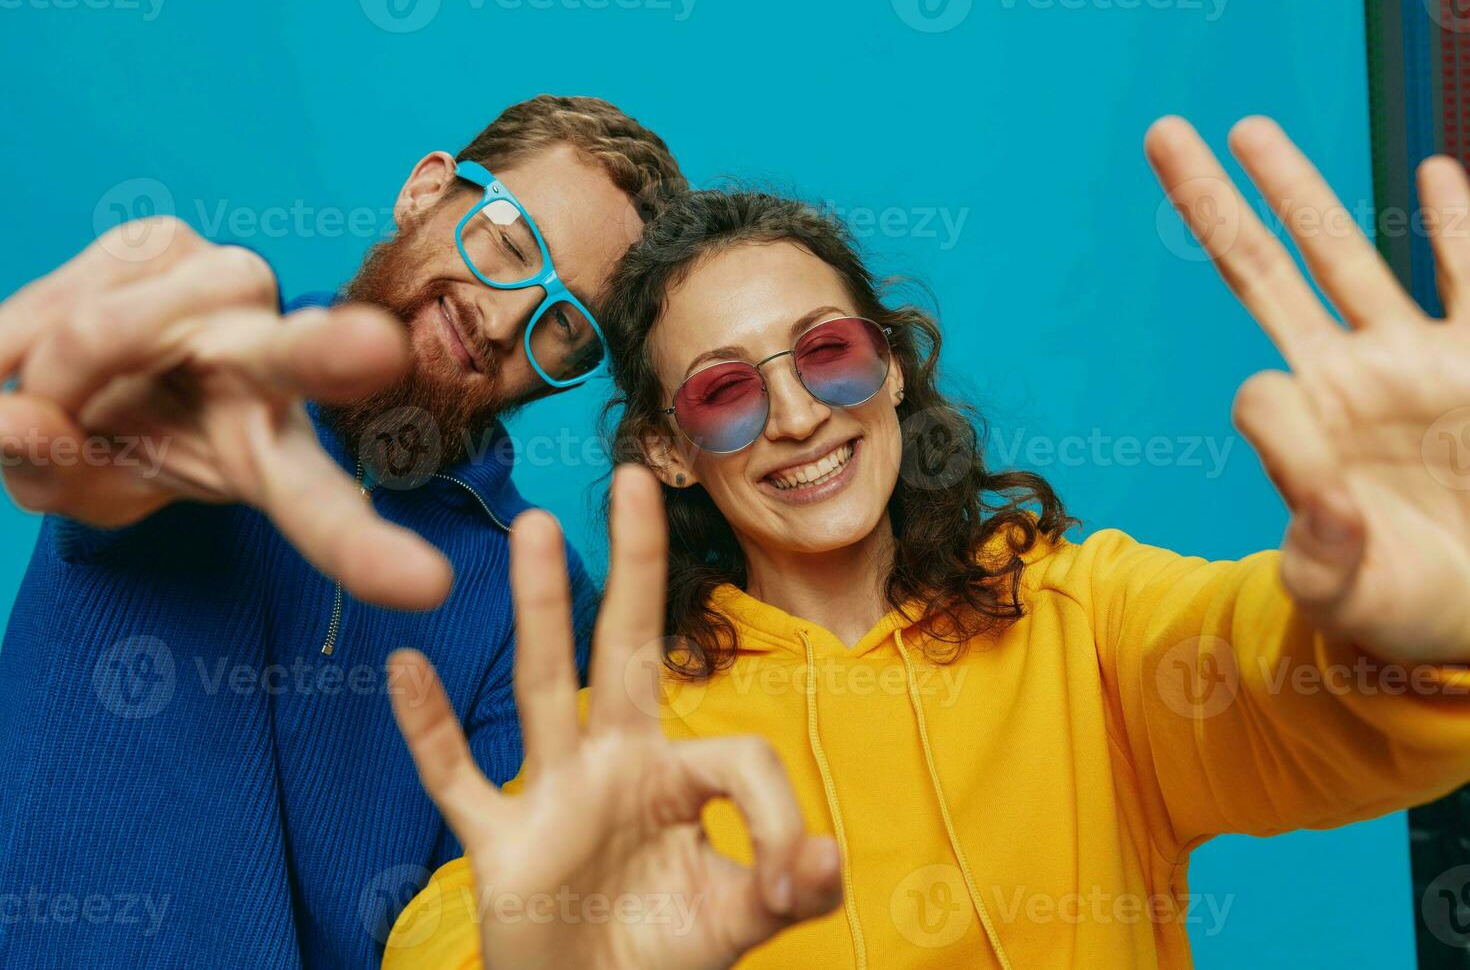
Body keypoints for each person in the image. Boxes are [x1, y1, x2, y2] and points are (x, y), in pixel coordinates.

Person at [385, 115, 1470, 968]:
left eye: (831, 351)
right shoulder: (631, 736)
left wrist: (1421, 626)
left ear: (893, 367)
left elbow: (1276, 677)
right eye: (723, 390)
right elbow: (459, 927)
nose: (802, 415)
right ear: (670, 448)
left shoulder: (1081, 625)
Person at [0, 95, 685, 969]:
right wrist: (103, 406)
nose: (506, 317)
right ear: (426, 190)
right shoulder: (207, 376)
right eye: (512, 242)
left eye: (564, 327)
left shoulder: (538, 599)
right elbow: (107, 449)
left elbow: (483, 923)